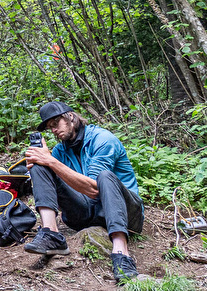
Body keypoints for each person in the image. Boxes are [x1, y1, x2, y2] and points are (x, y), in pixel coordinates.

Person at [23, 101, 143, 283]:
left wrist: (52, 162)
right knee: (40, 165)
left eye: (56, 123)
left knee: (104, 176)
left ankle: (121, 253)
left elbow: (94, 189)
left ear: (70, 117)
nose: (54, 130)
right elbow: (53, 180)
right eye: (50, 127)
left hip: (125, 213)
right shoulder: (60, 151)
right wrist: (41, 163)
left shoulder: (103, 139)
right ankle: (51, 233)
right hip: (88, 213)